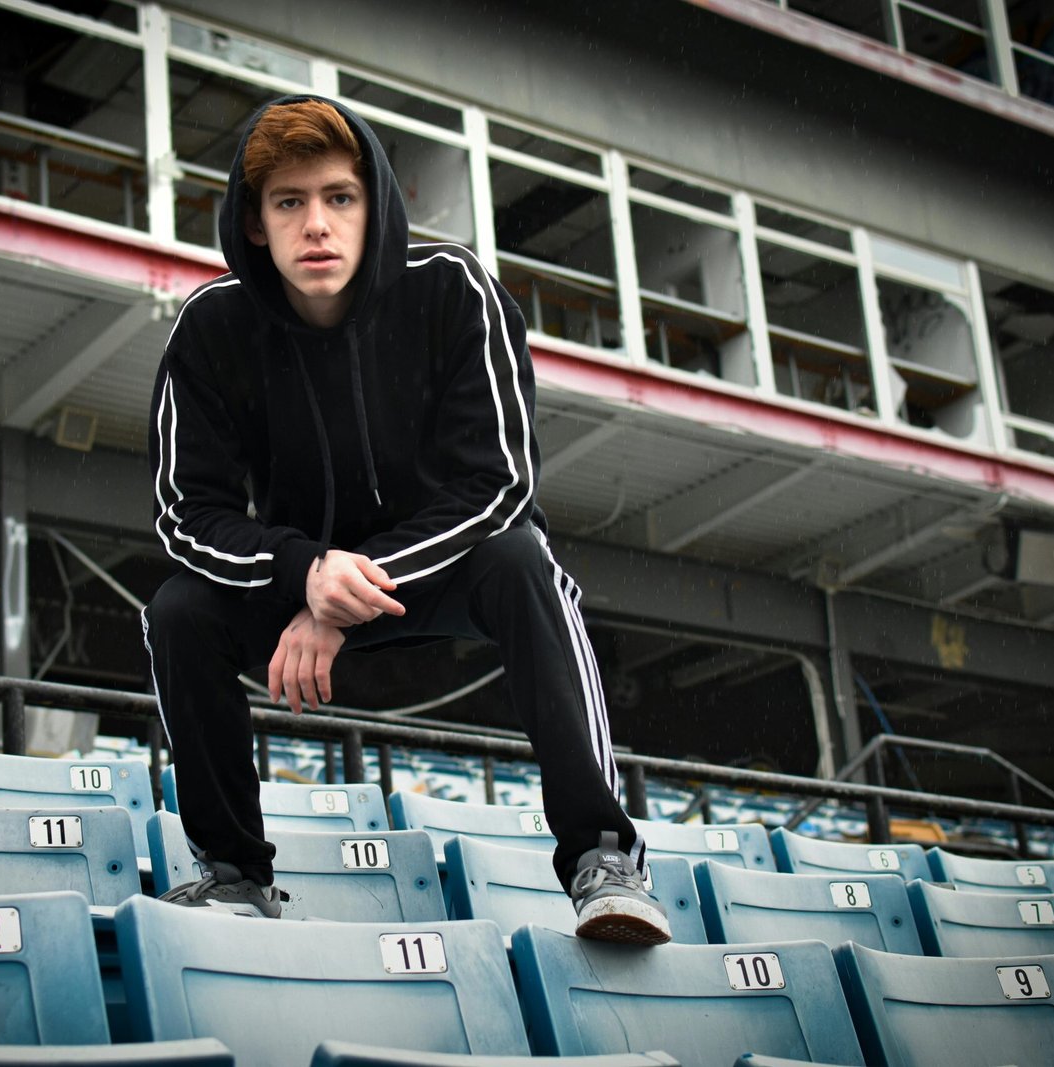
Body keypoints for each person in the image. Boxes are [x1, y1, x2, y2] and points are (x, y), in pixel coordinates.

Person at [143, 94, 669, 945]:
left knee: (523, 559)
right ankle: (235, 873)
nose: (317, 224)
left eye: (339, 198)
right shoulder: (212, 328)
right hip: (297, 605)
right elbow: (183, 513)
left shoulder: (454, 290)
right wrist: (306, 573)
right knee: (178, 607)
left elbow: (497, 482)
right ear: (252, 224)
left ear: (375, 204)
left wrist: (336, 593)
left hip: (431, 587)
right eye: (289, 202)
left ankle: (602, 858)